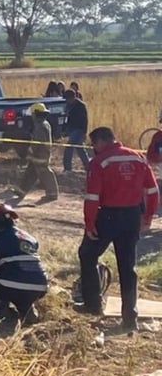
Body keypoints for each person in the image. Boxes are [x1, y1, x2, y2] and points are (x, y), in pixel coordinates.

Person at [77, 126, 159, 331]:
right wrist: (147, 216)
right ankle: (129, 316)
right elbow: (152, 190)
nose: (94, 148)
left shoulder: (98, 163)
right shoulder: (138, 159)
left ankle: (93, 304)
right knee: (127, 266)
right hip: (132, 216)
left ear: (101, 141)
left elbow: (92, 197)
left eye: (94, 144)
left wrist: (89, 223)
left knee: (87, 254)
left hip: (108, 216)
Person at [0, 203, 49, 323]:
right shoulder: (30, 238)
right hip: (40, 286)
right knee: (21, 288)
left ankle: (1, 307)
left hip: (11, 285)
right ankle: (27, 309)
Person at [14, 103, 59, 203]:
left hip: (40, 155)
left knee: (45, 172)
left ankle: (52, 193)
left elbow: (37, 143)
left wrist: (29, 151)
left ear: (36, 114)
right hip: (40, 154)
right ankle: (21, 191)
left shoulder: (40, 126)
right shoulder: (44, 123)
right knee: (31, 172)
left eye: (33, 114)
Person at [62, 89, 90, 172]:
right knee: (80, 149)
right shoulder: (68, 106)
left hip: (79, 130)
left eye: (68, 99)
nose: (67, 101)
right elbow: (66, 118)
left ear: (73, 97)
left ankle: (67, 168)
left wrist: (84, 133)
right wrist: (64, 129)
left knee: (69, 148)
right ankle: (88, 167)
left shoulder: (81, 106)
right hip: (71, 130)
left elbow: (85, 120)